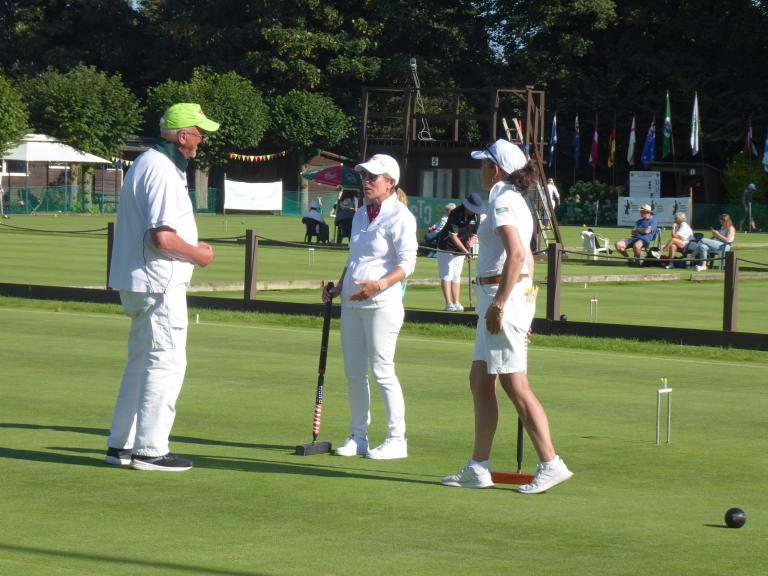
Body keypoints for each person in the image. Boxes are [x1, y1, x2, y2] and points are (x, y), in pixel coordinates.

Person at [442, 139, 572, 493]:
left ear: (495, 169)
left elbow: (516, 255)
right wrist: (523, 308)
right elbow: (527, 257)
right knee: (480, 380)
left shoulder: (502, 198)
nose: (479, 170)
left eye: (483, 164)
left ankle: (551, 462)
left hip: (501, 298)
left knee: (516, 385)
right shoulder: (511, 198)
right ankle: (478, 466)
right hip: (504, 297)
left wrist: (501, 305)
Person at [105, 103, 219, 472]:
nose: (202, 141)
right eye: (199, 134)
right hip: (160, 280)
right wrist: (198, 254)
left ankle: (121, 445)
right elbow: (163, 238)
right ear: (182, 135)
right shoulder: (164, 170)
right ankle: (150, 450)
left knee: (141, 361)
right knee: (166, 361)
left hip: (140, 280)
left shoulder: (145, 162)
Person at [323, 153, 418, 460]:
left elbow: (408, 264)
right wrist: (340, 286)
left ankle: (397, 439)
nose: (366, 181)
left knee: (382, 371)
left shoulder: (401, 216)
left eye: (372, 177)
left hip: (382, 305)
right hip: (351, 304)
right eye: (364, 176)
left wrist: (378, 284)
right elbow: (355, 258)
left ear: (390, 183)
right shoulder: (361, 213)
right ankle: (358, 435)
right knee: (354, 373)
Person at [435, 193, 483, 311]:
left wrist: (471, 243)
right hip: (446, 246)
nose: (474, 211)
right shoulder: (455, 213)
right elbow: (453, 236)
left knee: (456, 275)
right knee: (447, 274)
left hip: (461, 248)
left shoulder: (476, 216)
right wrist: (466, 251)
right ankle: (449, 303)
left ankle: (456, 302)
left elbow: (475, 234)